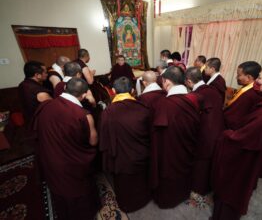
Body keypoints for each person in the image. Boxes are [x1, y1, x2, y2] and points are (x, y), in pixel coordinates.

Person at [211, 62, 262, 220]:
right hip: (259, 153)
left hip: (246, 160)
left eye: (260, 77)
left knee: (232, 190)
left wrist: (225, 134)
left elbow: (239, 140)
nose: (256, 81)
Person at [32, 78, 100, 220]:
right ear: (83, 95)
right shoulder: (83, 115)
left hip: (50, 157)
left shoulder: (46, 105)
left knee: (60, 189)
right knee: (78, 192)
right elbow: (93, 142)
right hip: (72, 163)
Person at [98, 77, 151, 212]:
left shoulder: (107, 113)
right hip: (141, 154)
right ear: (133, 91)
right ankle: (144, 200)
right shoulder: (143, 109)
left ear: (113, 91)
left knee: (124, 185)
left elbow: (104, 139)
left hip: (120, 158)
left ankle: (127, 205)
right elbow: (150, 133)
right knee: (141, 180)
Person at [151, 66, 201, 208]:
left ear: (166, 81)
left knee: (169, 172)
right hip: (188, 145)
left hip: (169, 150)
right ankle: (183, 193)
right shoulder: (194, 98)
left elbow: (157, 132)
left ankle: (168, 200)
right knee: (184, 169)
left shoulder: (164, 103)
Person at [185, 67, 224, 196]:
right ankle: (209, 184)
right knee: (210, 160)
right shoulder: (213, 90)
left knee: (200, 161)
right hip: (218, 128)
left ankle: (198, 186)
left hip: (203, 132)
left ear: (189, 82)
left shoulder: (195, 96)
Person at [224, 61, 262, 129]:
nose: (236, 77)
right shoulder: (247, 88)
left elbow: (236, 117)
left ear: (248, 77)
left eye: (239, 75)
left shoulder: (251, 94)